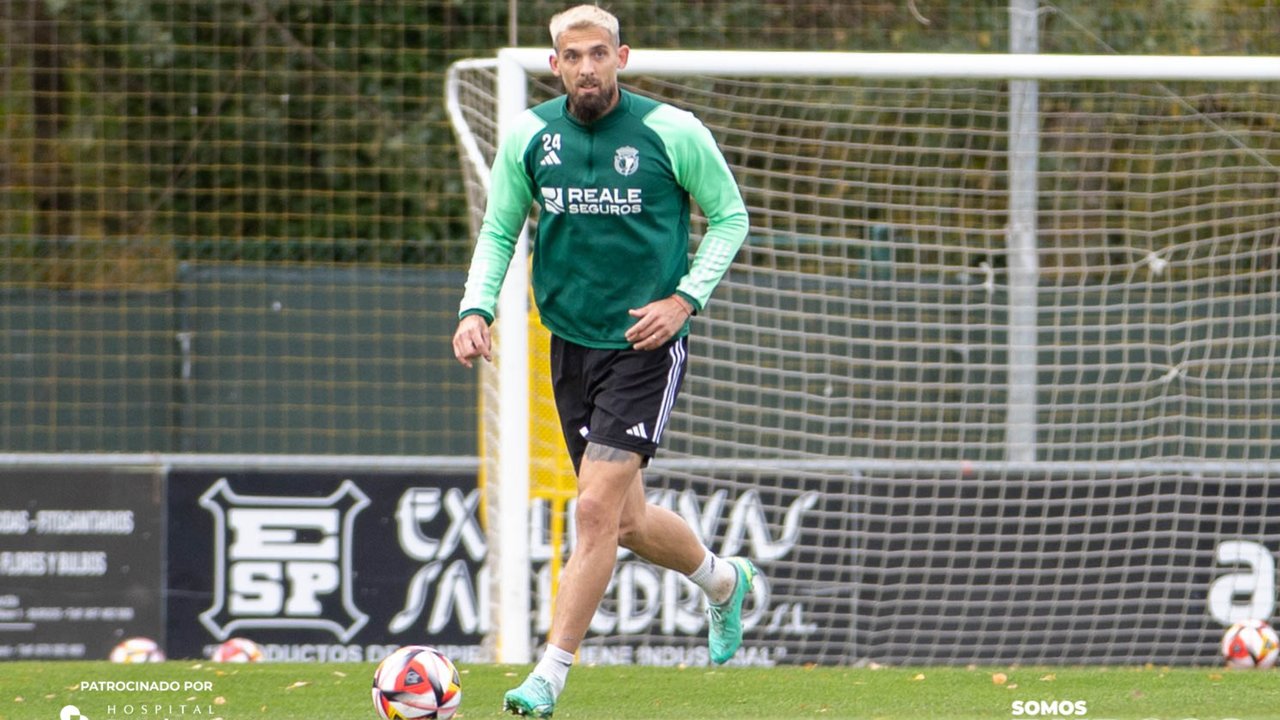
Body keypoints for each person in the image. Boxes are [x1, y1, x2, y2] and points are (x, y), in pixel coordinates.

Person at [451, 5, 755, 717]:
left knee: (591, 511)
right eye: (572, 55)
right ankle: (722, 582)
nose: (586, 66)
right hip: (570, 341)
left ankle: (547, 678)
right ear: (554, 64)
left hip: (645, 342)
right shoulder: (531, 135)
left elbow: (731, 217)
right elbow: (500, 230)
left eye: (598, 53)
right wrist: (476, 307)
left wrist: (684, 300)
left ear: (622, 56)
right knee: (625, 522)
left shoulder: (671, 131)